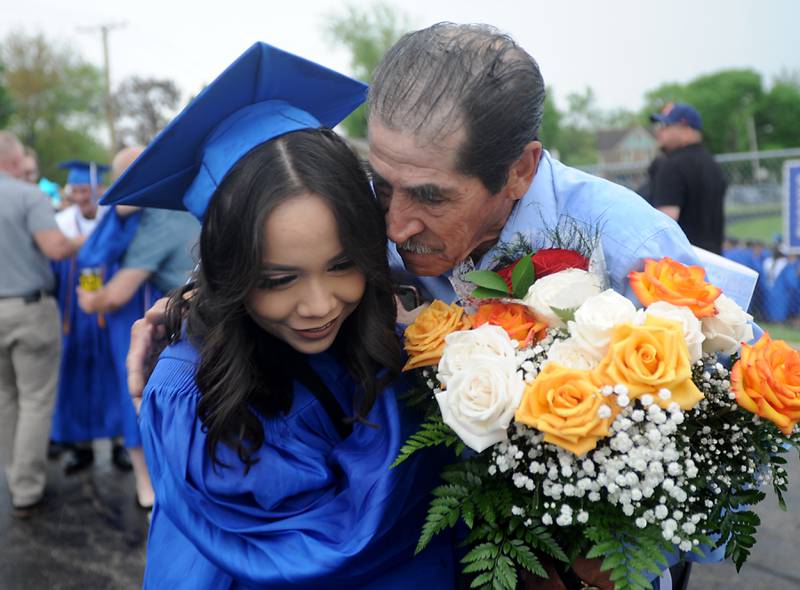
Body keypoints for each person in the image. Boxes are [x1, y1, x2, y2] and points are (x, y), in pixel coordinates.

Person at [127, 25, 723, 590]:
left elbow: (723, 463)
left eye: (430, 197)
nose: (391, 224)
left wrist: (596, 559)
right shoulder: (369, 213)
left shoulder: (632, 253)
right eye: (380, 186)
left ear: (520, 169)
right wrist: (201, 306)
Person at [101, 42, 456, 588]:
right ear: (228, 272)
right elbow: (326, 546)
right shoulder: (191, 395)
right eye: (277, 279)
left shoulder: (384, 327)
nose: (318, 306)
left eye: (343, 265)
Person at [76, 145, 200, 509]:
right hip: (179, 315)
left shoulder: (156, 217)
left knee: (140, 393)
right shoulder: (181, 202)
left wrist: (90, 300)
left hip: (172, 322)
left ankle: (152, 490)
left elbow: (115, 292)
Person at [0, 131, 84, 518]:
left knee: (5, 399)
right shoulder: (27, 195)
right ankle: (26, 488)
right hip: (28, 309)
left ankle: (15, 474)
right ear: (15, 162)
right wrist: (84, 240)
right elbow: (55, 247)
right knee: (34, 400)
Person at [49, 160, 135, 475]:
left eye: (86, 190)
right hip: (72, 312)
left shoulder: (110, 220)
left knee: (113, 372)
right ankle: (79, 446)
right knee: (73, 375)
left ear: (100, 189)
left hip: (108, 309)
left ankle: (118, 443)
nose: (81, 196)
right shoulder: (60, 222)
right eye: (76, 190)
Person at [649, 102, 728, 254]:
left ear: (686, 130)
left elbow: (665, 225)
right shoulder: (712, 163)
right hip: (715, 262)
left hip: (684, 267)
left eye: (666, 126)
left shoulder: (672, 165)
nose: (659, 132)